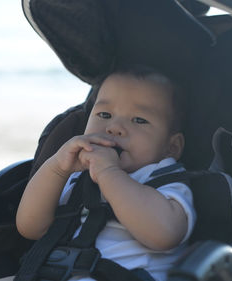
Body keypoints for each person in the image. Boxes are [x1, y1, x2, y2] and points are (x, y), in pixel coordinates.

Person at [15, 65, 196, 281]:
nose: (114, 127)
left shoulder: (164, 180)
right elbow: (31, 228)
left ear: (171, 147)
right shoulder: (76, 174)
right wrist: (56, 168)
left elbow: (164, 235)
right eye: (104, 114)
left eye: (139, 120)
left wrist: (109, 173)